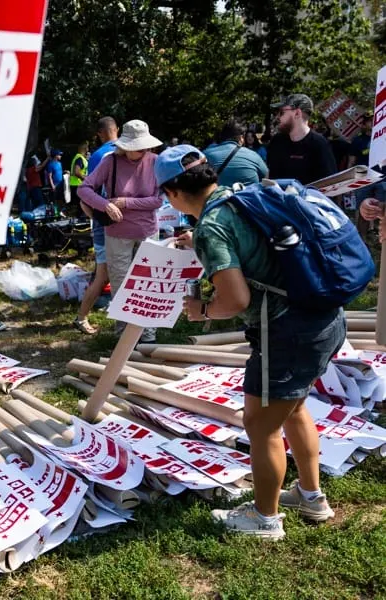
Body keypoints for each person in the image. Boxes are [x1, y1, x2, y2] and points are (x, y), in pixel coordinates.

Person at [157, 145, 342, 540]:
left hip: (286, 332)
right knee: (293, 408)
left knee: (259, 425)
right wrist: (199, 241)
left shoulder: (212, 228)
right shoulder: (238, 195)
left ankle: (264, 519)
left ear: (172, 193)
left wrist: (201, 310)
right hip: (323, 317)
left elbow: (235, 300)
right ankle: (311, 497)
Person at [78, 119, 163, 343]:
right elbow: (84, 189)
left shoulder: (156, 162)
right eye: (137, 147)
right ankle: (124, 337)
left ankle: (148, 336)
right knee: (121, 285)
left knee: (148, 285)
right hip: (116, 234)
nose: (142, 151)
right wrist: (105, 204)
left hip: (147, 231)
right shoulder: (110, 162)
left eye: (145, 146)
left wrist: (126, 202)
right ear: (124, 146)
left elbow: (157, 201)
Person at [74, 116, 118, 334]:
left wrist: (96, 217)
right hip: (117, 225)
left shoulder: (98, 155)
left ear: (100, 134)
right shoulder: (122, 153)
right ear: (116, 130)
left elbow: (87, 195)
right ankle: (82, 317)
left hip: (104, 223)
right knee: (105, 275)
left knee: (105, 274)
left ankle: (83, 316)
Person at [267, 93, 337, 184]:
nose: (278, 117)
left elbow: (330, 185)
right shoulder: (276, 141)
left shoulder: (319, 144)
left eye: (282, 112)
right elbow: (269, 176)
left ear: (297, 113)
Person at [203, 120, 269, 187]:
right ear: (241, 138)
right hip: (246, 196)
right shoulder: (254, 156)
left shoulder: (204, 155)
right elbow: (267, 177)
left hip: (216, 196)